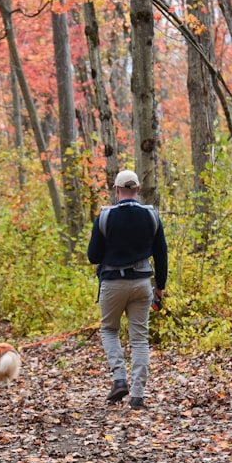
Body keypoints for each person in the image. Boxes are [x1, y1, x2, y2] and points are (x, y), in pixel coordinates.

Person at [86, 169, 168, 410]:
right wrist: (160, 288)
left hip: (112, 284)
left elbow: (93, 256)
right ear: (138, 190)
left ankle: (119, 378)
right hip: (142, 284)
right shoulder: (151, 215)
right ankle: (137, 396)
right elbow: (161, 254)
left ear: (116, 190)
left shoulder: (105, 217)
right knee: (140, 339)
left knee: (109, 330)